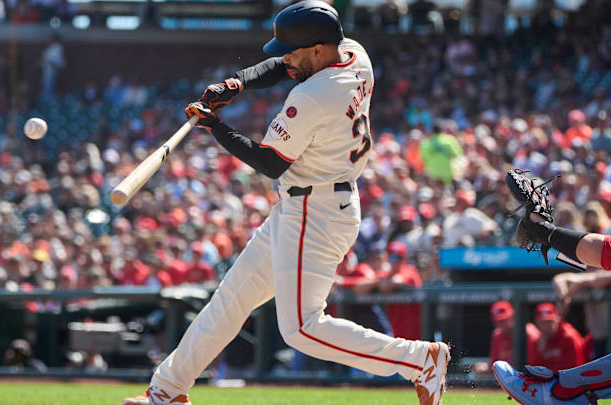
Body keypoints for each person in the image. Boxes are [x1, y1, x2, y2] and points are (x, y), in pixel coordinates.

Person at [122, 2, 449, 404]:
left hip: (317, 211)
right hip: (313, 202)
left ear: (317, 50)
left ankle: (419, 360)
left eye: (295, 51)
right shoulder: (354, 54)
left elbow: (269, 162)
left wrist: (216, 127)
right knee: (231, 300)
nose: (287, 58)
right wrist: (237, 83)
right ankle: (167, 391)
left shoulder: (312, 96)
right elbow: (282, 66)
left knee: (302, 329)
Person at [493, 211, 611, 404]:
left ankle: (560, 392)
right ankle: (563, 391)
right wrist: (549, 233)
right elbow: (606, 252)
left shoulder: (567, 335)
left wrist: (549, 233)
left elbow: (607, 252)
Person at [474, 301, 540, 374]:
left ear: (512, 317)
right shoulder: (497, 335)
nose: (500, 324)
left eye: (504, 320)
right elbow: (494, 364)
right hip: (507, 380)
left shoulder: (529, 333)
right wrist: (487, 368)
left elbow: (537, 364)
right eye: (497, 321)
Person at [527, 302, 585, 372]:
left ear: (557, 320)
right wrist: (540, 352)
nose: (546, 327)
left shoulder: (569, 337)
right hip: (548, 381)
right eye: (543, 323)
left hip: (568, 380)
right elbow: (533, 372)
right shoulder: (536, 340)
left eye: (550, 322)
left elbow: (574, 369)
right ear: (537, 323)